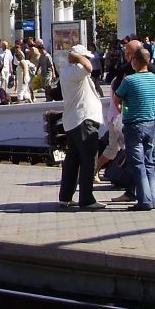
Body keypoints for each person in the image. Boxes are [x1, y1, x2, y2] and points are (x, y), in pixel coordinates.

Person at [113, 42, 155, 211]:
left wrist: (122, 108)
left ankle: (144, 200)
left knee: (138, 164)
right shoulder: (154, 78)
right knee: (149, 162)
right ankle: (153, 197)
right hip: (150, 124)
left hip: (134, 124)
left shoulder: (130, 80)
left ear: (136, 60)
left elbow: (116, 98)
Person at [58, 44, 103, 209]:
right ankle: (87, 198)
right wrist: (77, 56)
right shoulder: (76, 71)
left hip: (73, 121)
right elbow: (89, 67)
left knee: (72, 160)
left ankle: (65, 196)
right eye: (86, 57)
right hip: (83, 120)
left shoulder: (68, 72)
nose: (89, 59)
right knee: (88, 160)